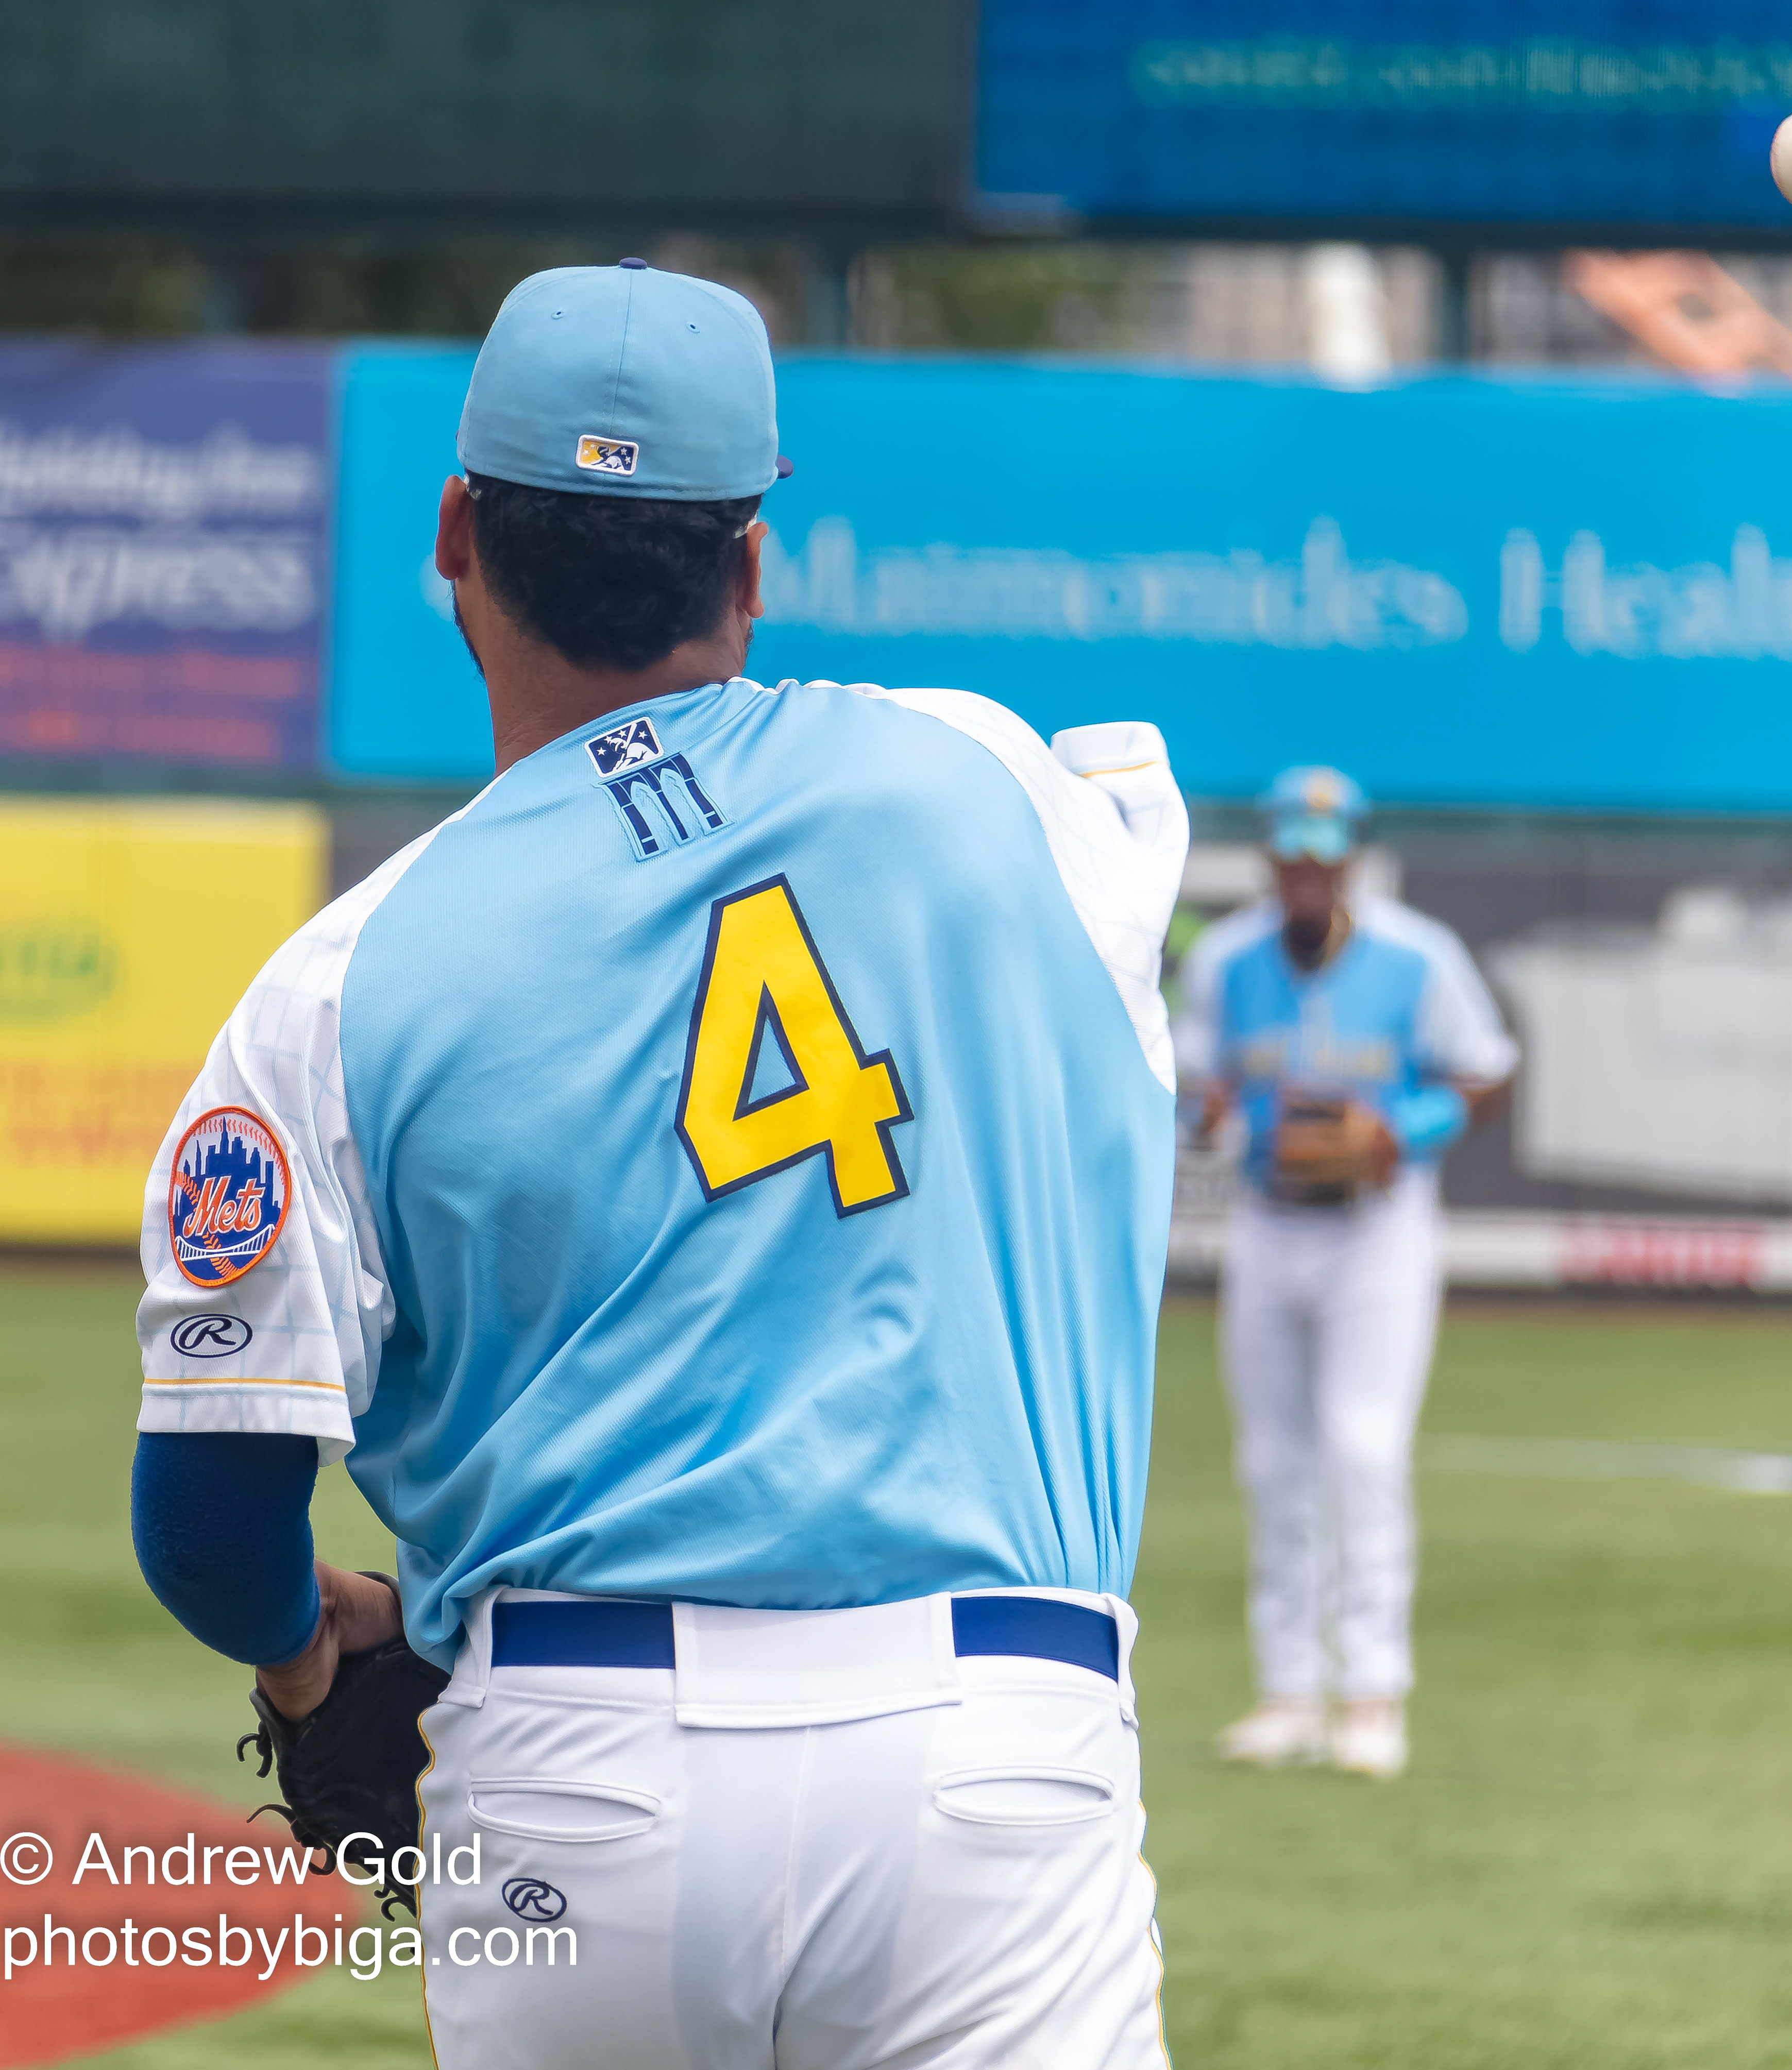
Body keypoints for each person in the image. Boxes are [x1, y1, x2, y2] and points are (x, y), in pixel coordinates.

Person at [129, 259, 1188, 2067]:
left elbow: (210, 1514)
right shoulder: (989, 778)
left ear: (455, 537)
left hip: (573, 1760)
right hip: (996, 1730)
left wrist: (308, 1649)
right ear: (750, 558)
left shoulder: (340, 981)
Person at [1176, 766, 1516, 1778]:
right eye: (1293, 856)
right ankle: (1287, 1690)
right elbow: (1203, 1081)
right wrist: (1211, 1112)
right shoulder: (1230, 961)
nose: (1309, 874)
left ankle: (1371, 1693)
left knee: (1364, 1450)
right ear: (1273, 860)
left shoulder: (1419, 955)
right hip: (1271, 1224)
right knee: (1273, 1460)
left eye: (1326, 857)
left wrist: (1400, 1129)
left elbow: (1485, 1068)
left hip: (1379, 1229)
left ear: (1352, 860)